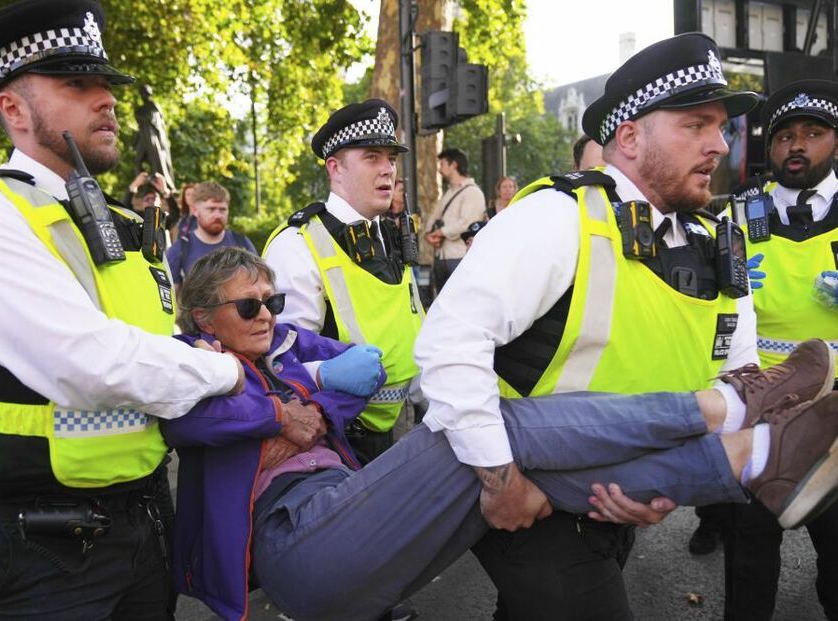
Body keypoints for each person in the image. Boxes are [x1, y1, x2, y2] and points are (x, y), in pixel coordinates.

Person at [164, 247, 838, 621]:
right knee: (476, 429)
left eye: (273, 300)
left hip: (344, 505)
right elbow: (194, 416)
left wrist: (301, 396)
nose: (267, 315)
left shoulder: (282, 347)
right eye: (249, 305)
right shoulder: (188, 363)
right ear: (202, 316)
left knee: (497, 446)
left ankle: (751, 459)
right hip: (295, 542)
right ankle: (724, 412)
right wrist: (283, 413)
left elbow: (366, 371)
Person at [0, 2, 244, 618]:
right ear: (13, 109)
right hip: (36, 549)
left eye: (105, 84)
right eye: (77, 84)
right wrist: (224, 371)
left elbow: (150, 338)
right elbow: (88, 362)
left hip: (141, 519)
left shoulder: (118, 219)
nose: (106, 99)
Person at [415, 33, 767, 620]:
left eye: (721, 127)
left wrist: (668, 482)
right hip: (533, 499)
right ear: (629, 138)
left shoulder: (716, 244)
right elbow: (449, 344)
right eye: (696, 125)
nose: (719, 144)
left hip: (621, 498)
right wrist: (502, 483)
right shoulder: (556, 217)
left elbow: (738, 376)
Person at [717, 79, 838, 621]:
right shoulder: (740, 213)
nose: (797, 146)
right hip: (759, 405)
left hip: (835, 410)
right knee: (749, 556)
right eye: (785, 136)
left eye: (813, 133)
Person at [263, 99, 423, 463]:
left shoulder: (393, 237)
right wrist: (328, 375)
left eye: (391, 158)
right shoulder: (298, 244)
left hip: (400, 434)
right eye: (372, 157)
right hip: (333, 440)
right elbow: (276, 362)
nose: (388, 169)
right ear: (335, 168)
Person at [166, 181, 255, 290]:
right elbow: (171, 294)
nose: (217, 215)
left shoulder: (242, 244)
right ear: (194, 210)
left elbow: (259, 286)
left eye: (222, 209)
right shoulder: (180, 249)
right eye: (211, 209)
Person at [423, 147, 486, 293]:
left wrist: (440, 232)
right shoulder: (449, 192)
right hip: (441, 257)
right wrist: (428, 234)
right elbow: (434, 217)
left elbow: (467, 224)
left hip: (460, 258)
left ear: (454, 165)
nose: (440, 169)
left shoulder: (473, 192)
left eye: (443, 164)